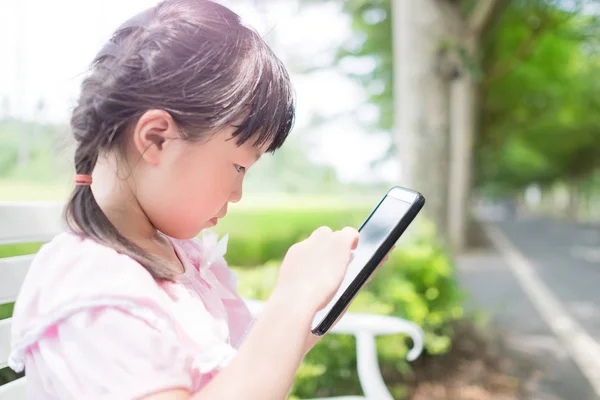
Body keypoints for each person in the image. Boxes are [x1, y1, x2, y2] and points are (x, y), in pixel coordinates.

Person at [8, 1, 395, 399]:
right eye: (239, 166)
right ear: (156, 138)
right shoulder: (93, 297)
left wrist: (315, 300)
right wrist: (291, 301)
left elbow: (243, 374)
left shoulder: (172, 255)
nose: (238, 194)